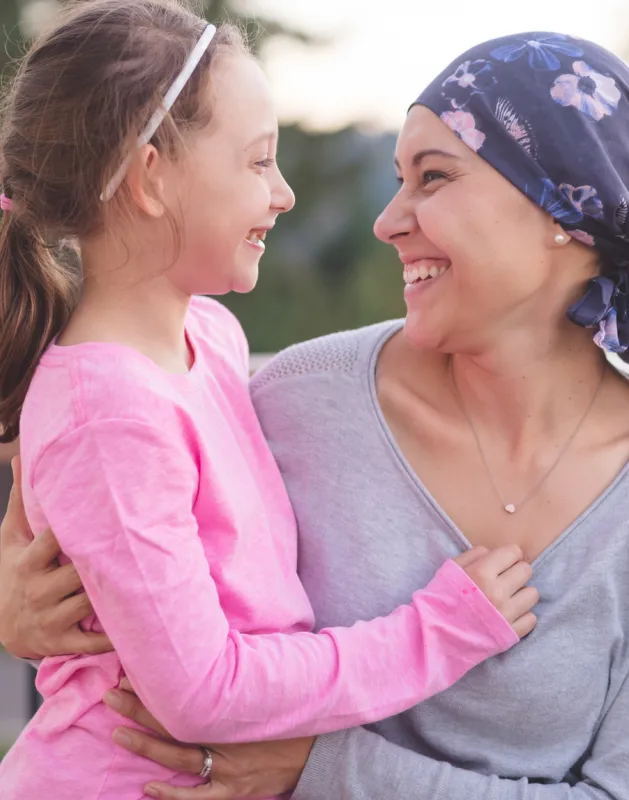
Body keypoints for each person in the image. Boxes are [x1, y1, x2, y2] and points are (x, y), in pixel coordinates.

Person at [0, 30, 629, 800]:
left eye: (433, 177)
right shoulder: (293, 395)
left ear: (562, 208)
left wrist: (321, 766)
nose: (386, 220)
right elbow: (119, 541)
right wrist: (12, 609)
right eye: (397, 178)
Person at [0, 4, 540, 798]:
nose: (283, 193)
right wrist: (438, 631)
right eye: (258, 162)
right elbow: (201, 690)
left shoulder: (209, 338)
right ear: (151, 177)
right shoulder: (105, 410)